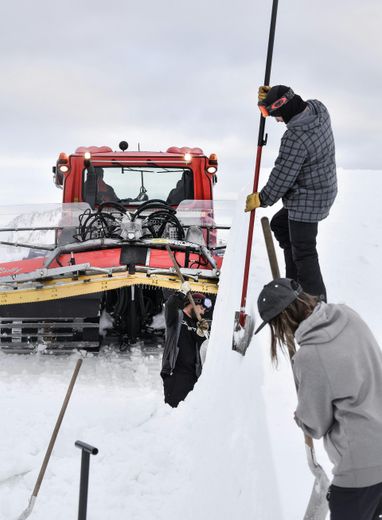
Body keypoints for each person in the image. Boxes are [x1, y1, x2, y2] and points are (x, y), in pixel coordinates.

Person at [255, 277, 382, 520]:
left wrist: (300, 415)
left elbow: (315, 424)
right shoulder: (348, 315)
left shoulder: (309, 356)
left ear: (282, 320)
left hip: (359, 469)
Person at [245, 85, 337, 301]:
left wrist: (262, 198)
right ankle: (294, 280)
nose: (276, 120)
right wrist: (272, 94)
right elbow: (289, 98)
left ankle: (316, 305)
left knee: (305, 253)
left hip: (308, 200)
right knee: (279, 225)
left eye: (273, 114)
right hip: (323, 189)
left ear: (283, 108)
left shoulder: (295, 138)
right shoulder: (318, 109)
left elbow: (282, 176)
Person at [160, 282, 211, 408]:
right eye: (202, 308)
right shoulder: (177, 318)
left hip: (193, 376)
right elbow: (170, 306)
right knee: (174, 410)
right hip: (176, 373)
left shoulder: (197, 325)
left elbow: (203, 350)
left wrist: (202, 335)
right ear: (193, 303)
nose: (203, 313)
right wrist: (181, 294)